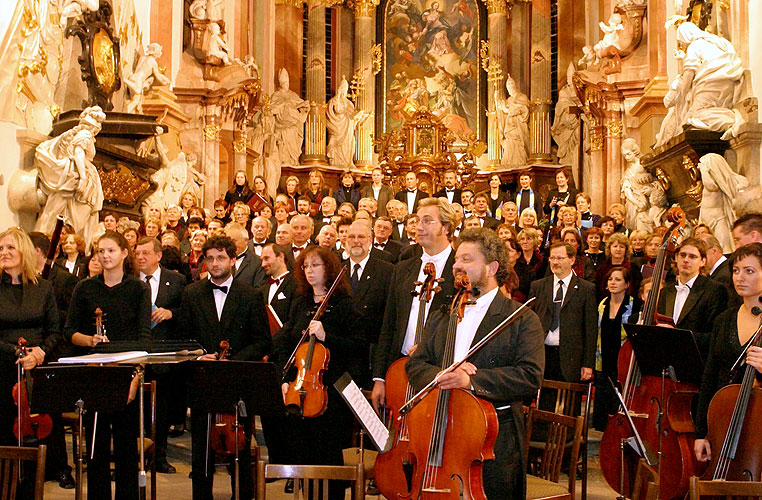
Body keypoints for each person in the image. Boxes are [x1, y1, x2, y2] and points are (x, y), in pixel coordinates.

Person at [406, 228, 545, 500]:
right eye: (457, 259)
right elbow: (415, 365)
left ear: (492, 267)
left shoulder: (521, 319)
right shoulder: (442, 314)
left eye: (467, 260)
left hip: (493, 439)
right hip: (440, 427)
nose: (457, 265)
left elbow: (530, 377)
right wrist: (442, 375)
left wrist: (471, 381)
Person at [179, 234, 270, 500]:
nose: (215, 263)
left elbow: (263, 341)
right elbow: (184, 338)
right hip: (204, 381)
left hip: (238, 381)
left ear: (232, 260)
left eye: (221, 258)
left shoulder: (251, 295)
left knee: (241, 452)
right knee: (201, 453)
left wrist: (236, 359)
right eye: (210, 258)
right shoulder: (191, 294)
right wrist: (198, 356)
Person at [273, 246, 365, 500]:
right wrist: (285, 378)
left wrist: (328, 337)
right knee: (303, 456)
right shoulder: (301, 302)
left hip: (330, 395)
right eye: (306, 266)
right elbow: (286, 342)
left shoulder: (344, 305)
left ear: (329, 269)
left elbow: (358, 346)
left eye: (316, 265)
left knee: (328, 458)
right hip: (300, 389)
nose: (310, 271)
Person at [65, 231, 150, 500]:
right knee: (95, 449)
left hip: (127, 375)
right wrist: (90, 340)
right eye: (101, 251)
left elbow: (143, 338)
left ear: (125, 253)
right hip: (94, 375)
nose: (105, 256)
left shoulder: (138, 289)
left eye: (111, 250)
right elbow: (69, 331)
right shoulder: (85, 288)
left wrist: (136, 377)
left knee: (126, 449)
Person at [372, 197, 457, 412]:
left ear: (446, 227)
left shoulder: (460, 270)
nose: (419, 227)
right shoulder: (403, 268)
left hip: (438, 370)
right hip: (399, 367)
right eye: (418, 220)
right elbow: (388, 325)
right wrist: (380, 377)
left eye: (427, 221)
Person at [0, 228, 66, 495]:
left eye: (10, 248)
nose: (3, 253)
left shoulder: (44, 288)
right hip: (3, 370)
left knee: (36, 441)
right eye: (1, 249)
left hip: (36, 373)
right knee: (4, 436)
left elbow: (55, 331)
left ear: (24, 251)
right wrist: (14, 353)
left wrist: (39, 353)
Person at [694, 243, 762, 464]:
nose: (739, 277)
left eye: (749, 271)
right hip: (723, 423)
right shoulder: (725, 319)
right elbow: (710, 376)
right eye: (736, 270)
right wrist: (701, 433)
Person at [134, 237, 186, 474]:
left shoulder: (176, 281)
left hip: (164, 356)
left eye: (145, 253)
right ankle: (134, 457)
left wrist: (170, 314)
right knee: (135, 409)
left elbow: (187, 312)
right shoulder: (129, 282)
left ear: (158, 256)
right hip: (136, 354)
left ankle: (160, 457)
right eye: (137, 254)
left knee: (161, 410)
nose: (141, 258)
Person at [530, 241, 597, 384]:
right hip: (543, 355)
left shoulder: (586, 289)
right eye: (552, 258)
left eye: (560, 258)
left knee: (570, 404)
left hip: (572, 358)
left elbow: (590, 330)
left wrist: (588, 364)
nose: (555, 262)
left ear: (572, 260)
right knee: (543, 404)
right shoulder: (538, 286)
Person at [656, 237, 728, 359]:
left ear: (703, 261)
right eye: (682, 255)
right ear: (676, 258)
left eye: (692, 256)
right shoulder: (665, 292)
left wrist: (678, 335)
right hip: (668, 360)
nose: (686, 260)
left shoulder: (715, 290)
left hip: (697, 361)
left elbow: (715, 336)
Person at [346, 220, 393, 386]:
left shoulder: (387, 270)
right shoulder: (338, 269)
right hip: (344, 355)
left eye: (361, 237)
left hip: (370, 354)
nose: (356, 241)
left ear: (370, 240)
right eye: (351, 237)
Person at [592, 267, 641, 431]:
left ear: (627, 284)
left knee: (618, 403)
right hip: (603, 361)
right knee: (602, 401)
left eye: (618, 279)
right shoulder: (602, 304)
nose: (613, 282)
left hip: (623, 362)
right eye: (610, 279)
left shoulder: (635, 305)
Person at [594, 232, 642, 301]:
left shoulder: (633, 268)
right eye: (615, 246)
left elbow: (637, 290)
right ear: (609, 248)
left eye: (622, 247)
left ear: (626, 250)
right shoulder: (602, 269)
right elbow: (598, 291)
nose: (618, 249)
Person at [514, 228, 546, 301]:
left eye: (529, 239)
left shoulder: (543, 261)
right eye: (522, 239)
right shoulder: (515, 261)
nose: (525, 242)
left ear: (534, 241)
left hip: (537, 298)